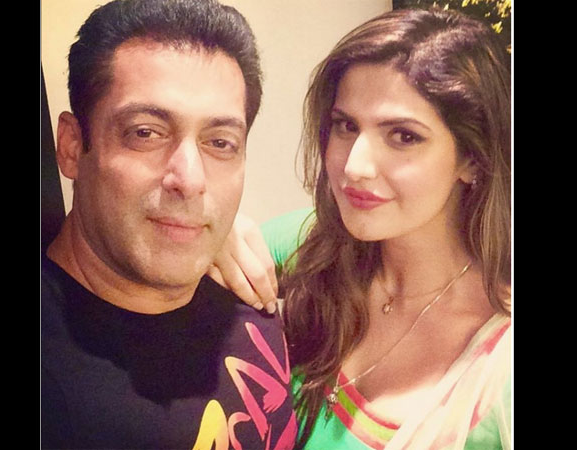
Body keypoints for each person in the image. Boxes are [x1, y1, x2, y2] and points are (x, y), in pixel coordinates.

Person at [211, 7, 511, 449]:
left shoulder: (498, 365)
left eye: (403, 136)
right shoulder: (306, 246)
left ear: (472, 159)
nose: (354, 166)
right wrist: (214, 231)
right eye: (345, 126)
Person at [40, 0, 297, 448]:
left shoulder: (248, 293)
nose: (191, 181)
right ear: (71, 147)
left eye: (220, 142)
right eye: (146, 133)